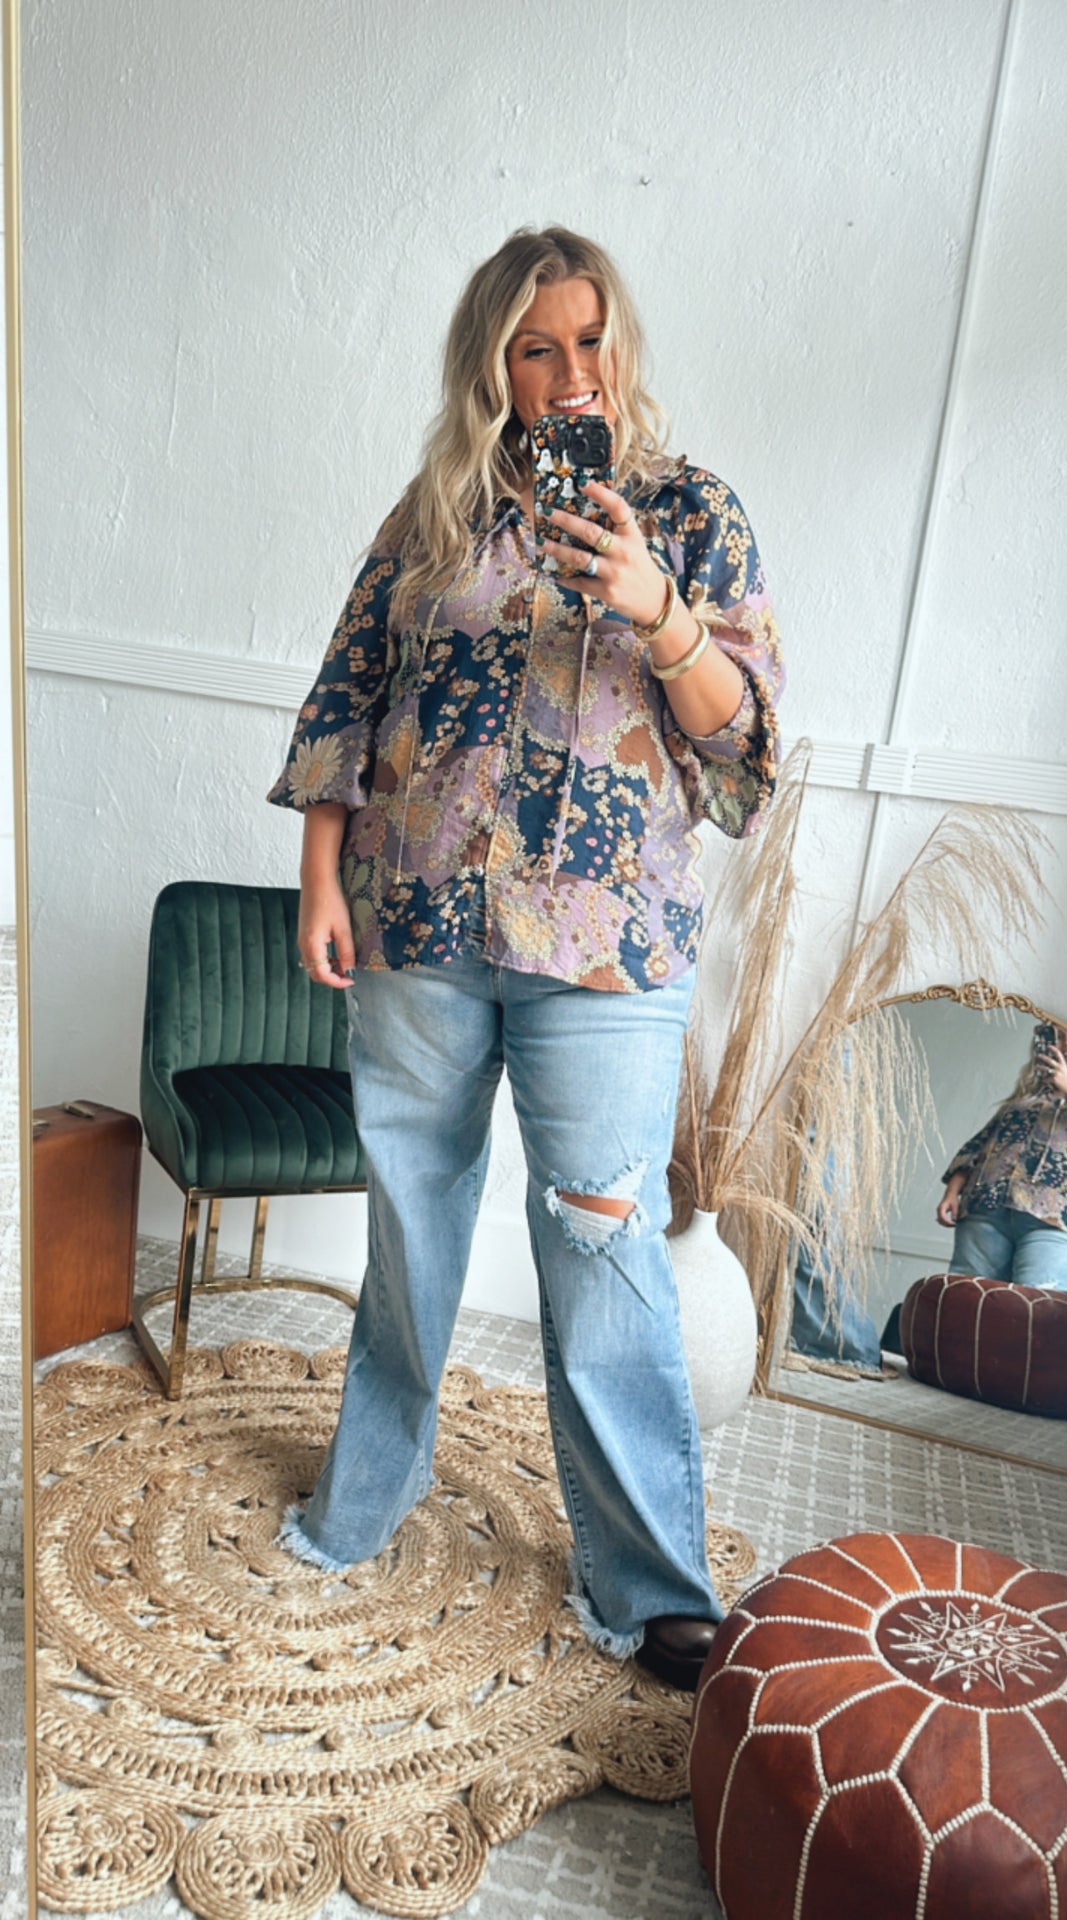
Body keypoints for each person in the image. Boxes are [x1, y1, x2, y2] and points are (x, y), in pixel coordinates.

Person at [267, 226, 783, 1691]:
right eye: (536, 346)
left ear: (623, 346)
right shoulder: (432, 513)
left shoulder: (688, 511)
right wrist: (320, 876)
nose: (569, 373)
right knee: (410, 1223)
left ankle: (650, 1587)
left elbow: (744, 756)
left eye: (590, 340)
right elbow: (348, 695)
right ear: (493, 362)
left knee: (604, 1246)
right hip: (417, 921)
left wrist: (658, 608)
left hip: (605, 948)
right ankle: (364, 1501)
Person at [936, 1022, 1067, 1291]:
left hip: (1056, 1221)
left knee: (1038, 1304)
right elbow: (981, 1144)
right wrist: (952, 1192)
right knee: (968, 1298)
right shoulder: (1028, 1096)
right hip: (986, 1208)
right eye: (1059, 1037)